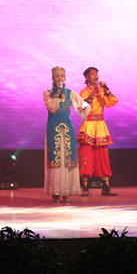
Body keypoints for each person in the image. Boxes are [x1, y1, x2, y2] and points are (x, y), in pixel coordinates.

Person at [44, 66, 91, 202]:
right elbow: (52, 108)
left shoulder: (70, 93)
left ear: (65, 78)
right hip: (54, 129)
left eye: (62, 76)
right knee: (56, 158)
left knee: (67, 159)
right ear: (53, 78)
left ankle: (66, 191)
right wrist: (57, 94)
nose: (60, 78)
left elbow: (83, 105)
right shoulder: (48, 93)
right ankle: (55, 191)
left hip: (68, 130)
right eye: (57, 76)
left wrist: (83, 106)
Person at [77, 67, 119, 196]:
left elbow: (112, 102)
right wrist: (89, 98)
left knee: (102, 156)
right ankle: (85, 187)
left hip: (100, 126)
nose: (96, 76)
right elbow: (80, 107)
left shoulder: (102, 90)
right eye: (92, 74)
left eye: (96, 74)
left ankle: (106, 186)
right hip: (88, 125)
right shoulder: (84, 91)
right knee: (86, 155)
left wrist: (106, 89)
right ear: (87, 77)